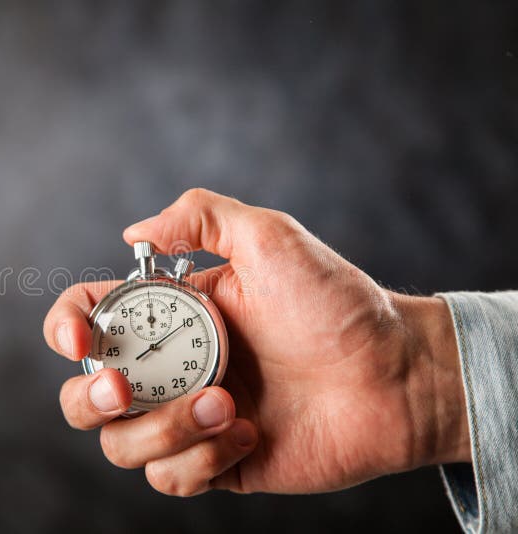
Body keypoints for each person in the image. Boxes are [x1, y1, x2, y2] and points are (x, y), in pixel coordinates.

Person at [43, 189, 517, 533]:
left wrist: (418, 380)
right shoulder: (150, 321)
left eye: (162, 336)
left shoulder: (207, 312)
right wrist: (424, 388)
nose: (147, 350)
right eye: (140, 344)